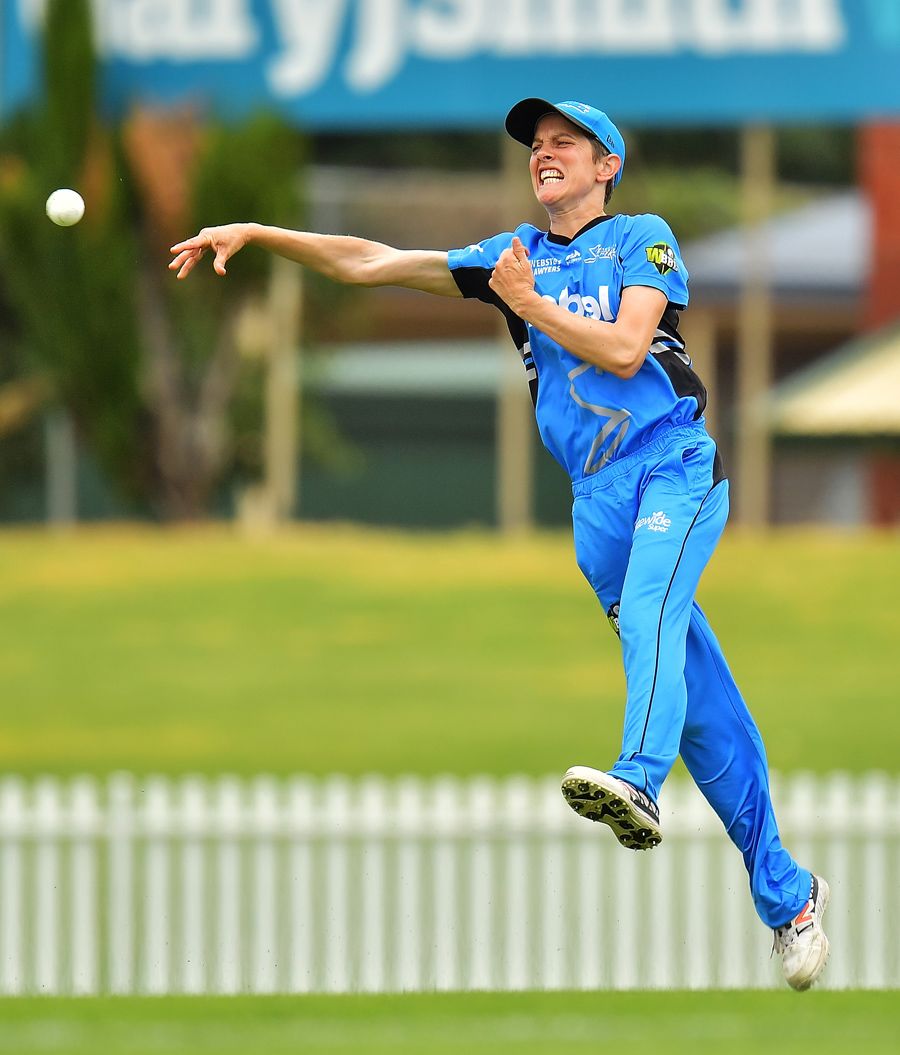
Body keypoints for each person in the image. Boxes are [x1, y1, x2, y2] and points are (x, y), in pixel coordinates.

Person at [169, 97, 829, 990]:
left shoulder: (642, 234)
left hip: (670, 462)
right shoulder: (508, 258)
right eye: (537, 145)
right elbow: (373, 262)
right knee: (703, 707)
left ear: (607, 167)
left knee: (649, 617)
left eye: (567, 144)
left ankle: (637, 775)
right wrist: (262, 231)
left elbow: (631, 350)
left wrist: (527, 304)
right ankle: (788, 895)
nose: (545, 154)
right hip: (597, 502)